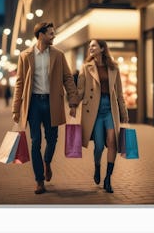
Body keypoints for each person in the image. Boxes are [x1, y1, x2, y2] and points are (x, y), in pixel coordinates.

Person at [12, 22, 78, 194]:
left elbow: (68, 79)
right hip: (33, 104)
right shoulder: (25, 55)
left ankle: (47, 161)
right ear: (40, 35)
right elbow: (19, 83)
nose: (53, 36)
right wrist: (16, 109)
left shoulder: (58, 54)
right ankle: (39, 180)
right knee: (35, 142)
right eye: (50, 33)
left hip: (52, 103)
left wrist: (73, 102)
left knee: (52, 139)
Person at [77, 39, 129, 193]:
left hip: (110, 109)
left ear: (102, 48)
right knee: (99, 146)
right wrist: (73, 104)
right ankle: (97, 166)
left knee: (112, 142)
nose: (90, 48)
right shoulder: (86, 67)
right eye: (89, 46)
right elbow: (80, 90)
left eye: (93, 45)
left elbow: (119, 92)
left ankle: (108, 178)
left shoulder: (113, 67)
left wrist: (124, 113)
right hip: (95, 110)